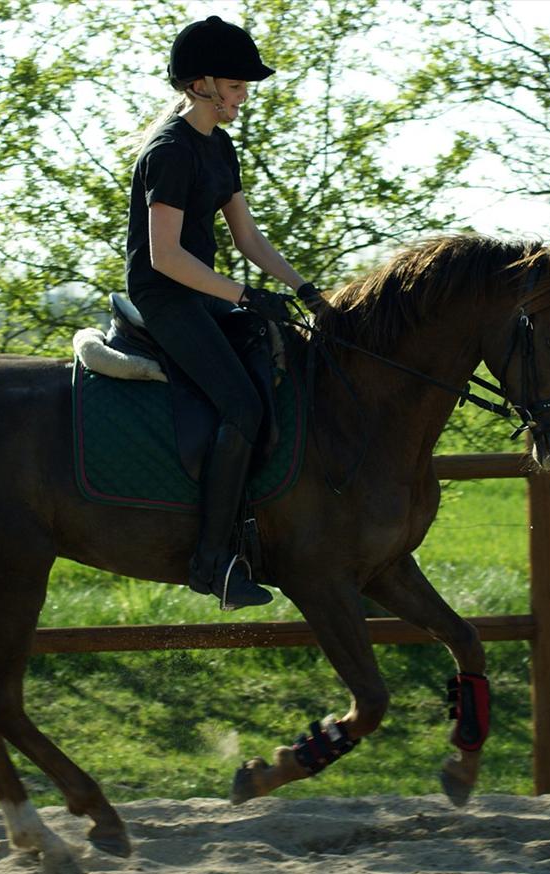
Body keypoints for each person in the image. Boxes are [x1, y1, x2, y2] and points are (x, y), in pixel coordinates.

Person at [125, 15, 329, 610]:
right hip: (166, 298)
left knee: (282, 362)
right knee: (239, 403)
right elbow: (164, 257)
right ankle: (211, 561)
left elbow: (249, 240)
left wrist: (304, 289)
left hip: (206, 294)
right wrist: (242, 296)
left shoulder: (219, 145)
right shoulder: (170, 152)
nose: (244, 98)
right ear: (202, 84)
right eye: (237, 87)